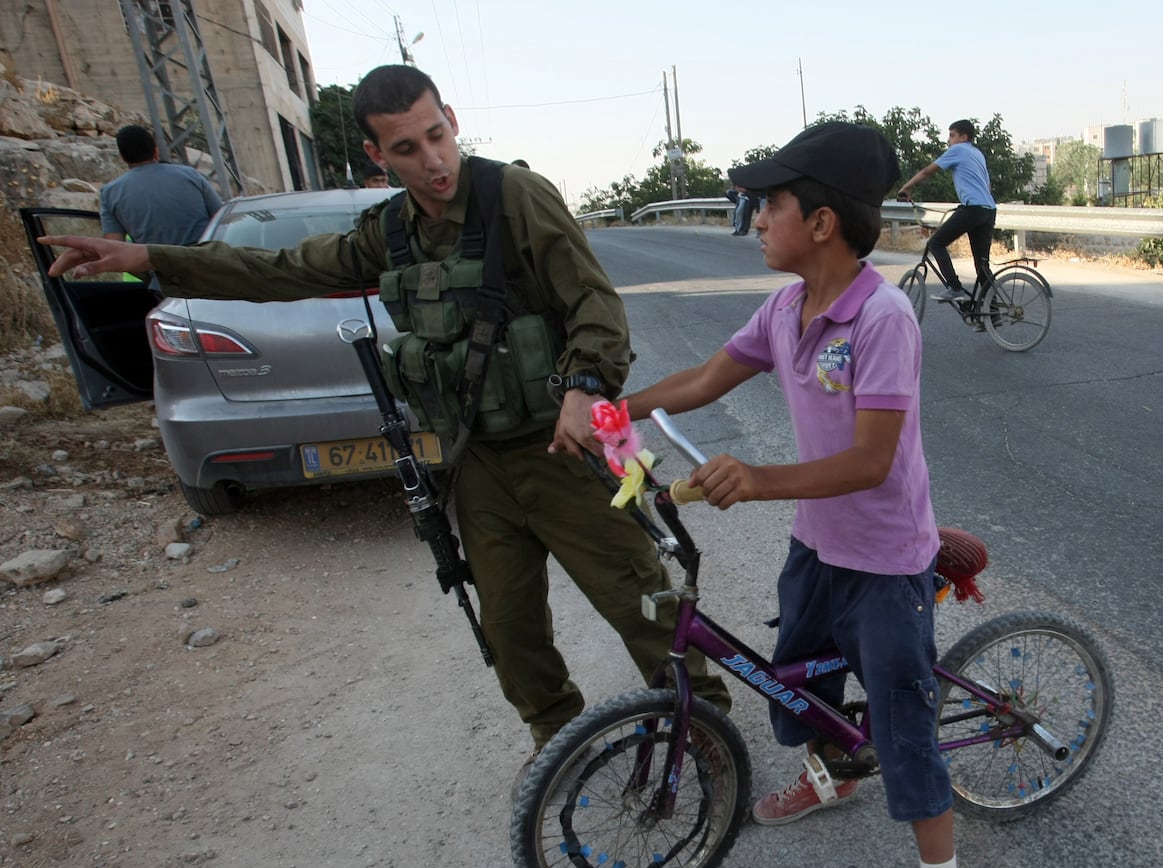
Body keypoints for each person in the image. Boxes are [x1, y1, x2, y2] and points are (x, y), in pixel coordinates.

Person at [41, 65, 730, 772]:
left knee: (637, 600)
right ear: (377, 155)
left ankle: (701, 721)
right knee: (508, 626)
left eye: (437, 136)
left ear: (452, 119)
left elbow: (595, 306)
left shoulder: (514, 196)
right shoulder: (389, 231)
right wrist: (151, 258)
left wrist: (584, 388)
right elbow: (284, 269)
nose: (431, 161)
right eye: (406, 149)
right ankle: (555, 739)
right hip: (475, 462)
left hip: (568, 453)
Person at [621, 121, 972, 868]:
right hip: (818, 546)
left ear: (820, 223)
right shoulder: (785, 310)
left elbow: (870, 460)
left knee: (904, 722)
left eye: (768, 205)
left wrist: (754, 477)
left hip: (883, 562)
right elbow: (710, 376)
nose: (755, 222)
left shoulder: (883, 321)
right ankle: (835, 771)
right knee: (794, 682)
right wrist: (622, 408)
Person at [895, 119, 996, 306]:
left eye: (952, 135)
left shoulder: (958, 150)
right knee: (982, 264)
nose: (948, 140)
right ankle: (994, 312)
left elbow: (927, 171)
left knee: (936, 243)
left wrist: (906, 187)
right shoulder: (977, 153)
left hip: (973, 208)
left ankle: (955, 288)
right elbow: (987, 185)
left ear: (963, 137)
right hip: (988, 210)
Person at [99, 124, 222, 247]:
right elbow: (221, 217)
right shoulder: (190, 175)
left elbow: (114, 245)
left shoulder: (110, 193)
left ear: (122, 157)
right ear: (155, 150)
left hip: (159, 263)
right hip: (205, 257)